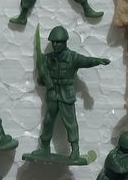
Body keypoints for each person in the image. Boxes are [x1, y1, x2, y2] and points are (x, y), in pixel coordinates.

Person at [32, 26, 109, 160]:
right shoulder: (48, 58)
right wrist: (43, 78)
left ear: (65, 42)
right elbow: (41, 77)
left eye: (58, 42)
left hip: (66, 93)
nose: (55, 45)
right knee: (48, 120)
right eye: (53, 42)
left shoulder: (72, 57)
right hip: (53, 92)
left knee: (70, 121)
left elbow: (87, 61)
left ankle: (75, 149)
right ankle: (44, 147)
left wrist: (99, 61)